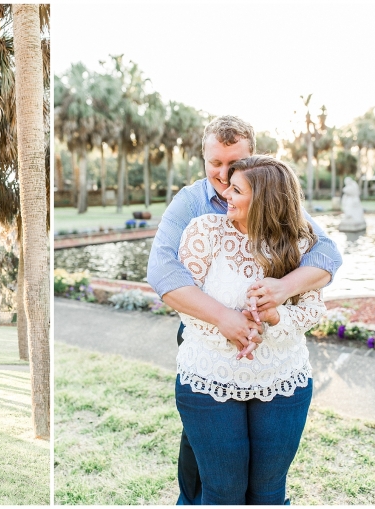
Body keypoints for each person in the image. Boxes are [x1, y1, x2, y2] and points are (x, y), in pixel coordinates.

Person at [146, 115, 342, 504]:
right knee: (207, 475)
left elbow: (326, 253)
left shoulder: (273, 200)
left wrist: (282, 291)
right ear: (203, 157)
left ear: (254, 159)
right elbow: (164, 274)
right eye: (214, 163)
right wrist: (225, 320)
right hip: (209, 353)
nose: (222, 176)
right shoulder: (191, 206)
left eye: (233, 165)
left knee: (266, 486)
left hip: (275, 365)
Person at [173, 155, 326, 504]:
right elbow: (185, 300)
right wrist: (233, 327)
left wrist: (276, 318)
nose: (225, 193)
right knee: (223, 492)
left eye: (236, 189)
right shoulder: (204, 231)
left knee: (269, 492)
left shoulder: (302, 243)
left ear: (265, 199)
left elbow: (313, 309)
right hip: (210, 379)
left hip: (283, 381)